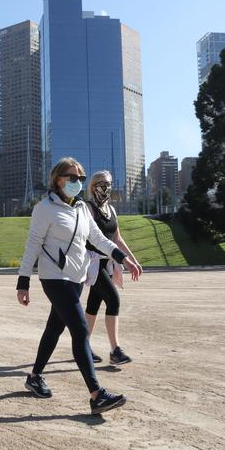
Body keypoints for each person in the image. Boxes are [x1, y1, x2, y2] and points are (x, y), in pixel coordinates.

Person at [16, 157, 141, 415]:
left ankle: (34, 376)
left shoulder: (82, 208)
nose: (77, 183)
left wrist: (122, 258)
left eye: (80, 179)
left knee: (54, 328)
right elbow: (32, 246)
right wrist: (23, 281)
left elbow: (98, 239)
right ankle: (96, 395)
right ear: (58, 179)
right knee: (80, 329)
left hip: (76, 277)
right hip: (53, 277)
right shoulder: (44, 209)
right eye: (72, 178)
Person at [84, 171, 143, 366]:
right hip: (93, 264)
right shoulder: (88, 209)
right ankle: (115, 350)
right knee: (114, 300)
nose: (105, 187)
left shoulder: (111, 210)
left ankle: (83, 346)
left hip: (109, 263)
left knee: (93, 305)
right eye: (101, 184)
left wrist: (132, 260)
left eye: (108, 183)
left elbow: (117, 239)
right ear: (92, 186)